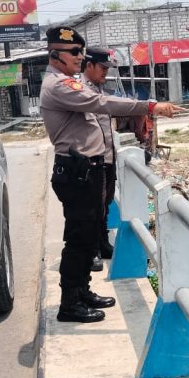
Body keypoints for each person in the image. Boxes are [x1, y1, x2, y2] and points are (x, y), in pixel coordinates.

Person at [40, 26, 183, 323]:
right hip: (77, 173)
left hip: (87, 171)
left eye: (81, 52)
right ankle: (70, 303)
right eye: (74, 52)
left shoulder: (67, 82)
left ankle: (82, 291)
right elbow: (102, 103)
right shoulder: (58, 85)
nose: (80, 57)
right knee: (79, 239)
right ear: (55, 55)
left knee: (89, 235)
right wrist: (150, 106)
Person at [79, 47, 120, 272]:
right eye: (102, 68)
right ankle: (91, 250)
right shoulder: (83, 91)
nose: (105, 72)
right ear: (89, 65)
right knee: (93, 206)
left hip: (107, 157)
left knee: (105, 203)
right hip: (93, 159)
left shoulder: (99, 89)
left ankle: (103, 244)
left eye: (107, 68)